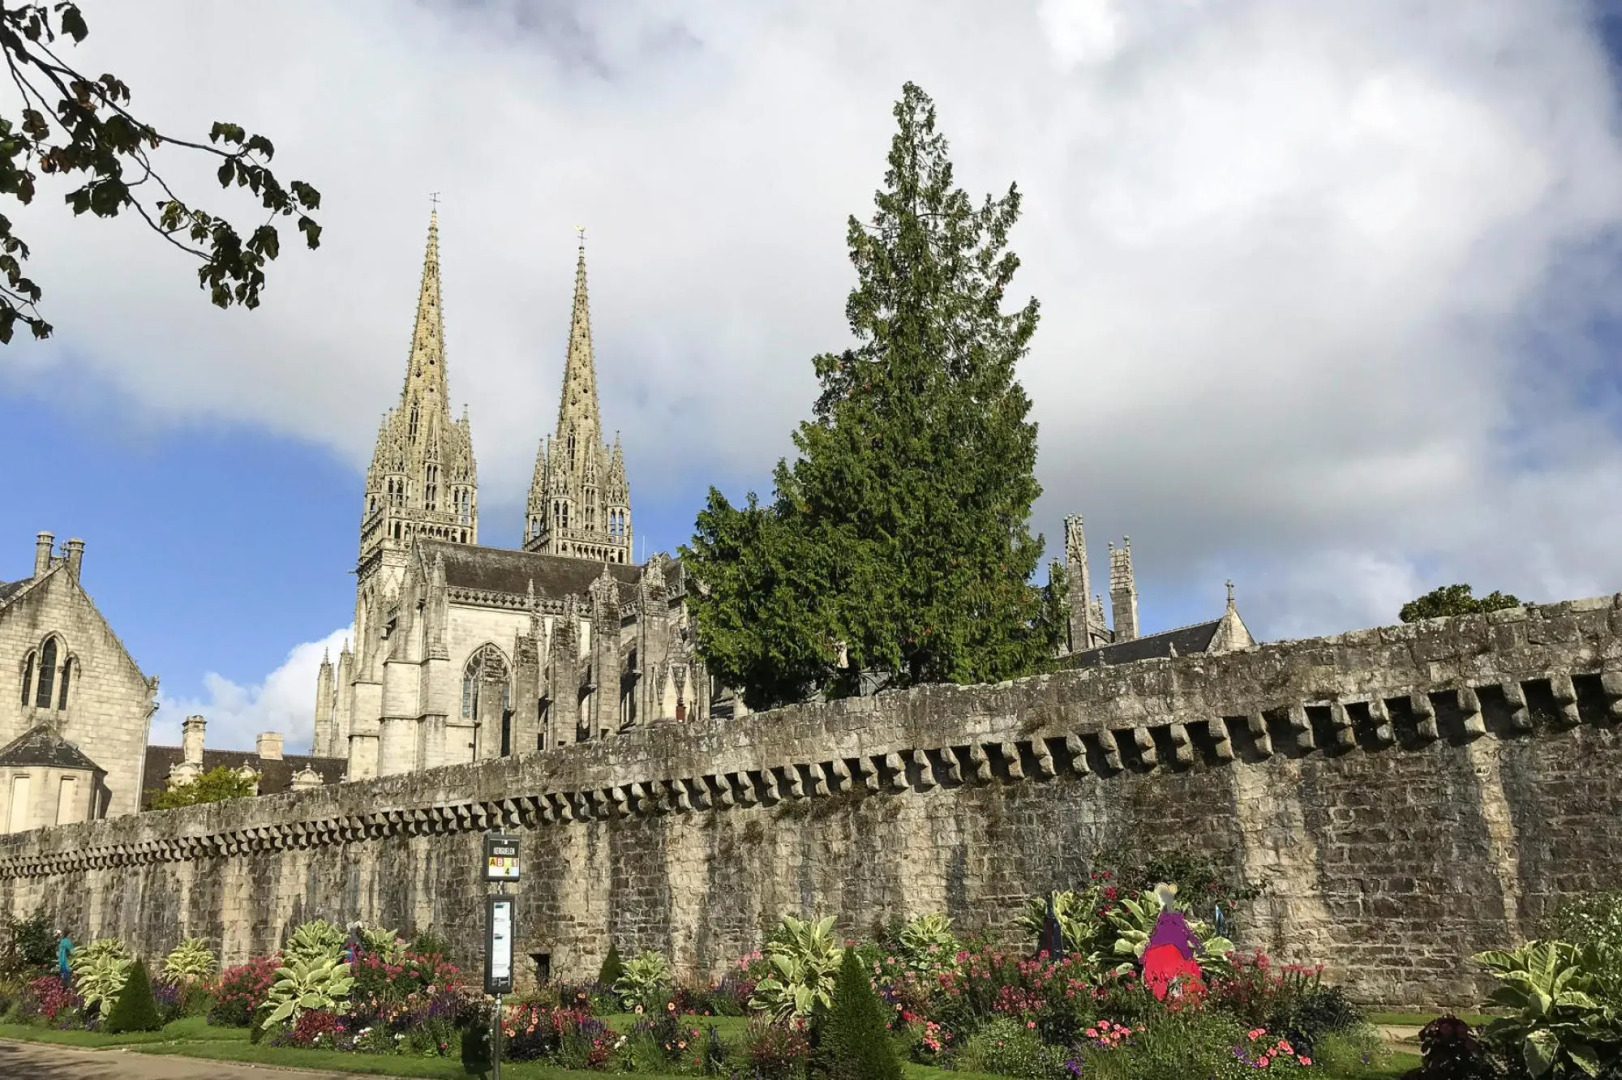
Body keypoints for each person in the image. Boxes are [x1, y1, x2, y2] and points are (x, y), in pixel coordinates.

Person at [1140, 883, 1203, 1000]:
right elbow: (1188, 934)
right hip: (1168, 954)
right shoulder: (1170, 918)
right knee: (1177, 981)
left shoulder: (1165, 918)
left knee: (1170, 981)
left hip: (1168, 953)